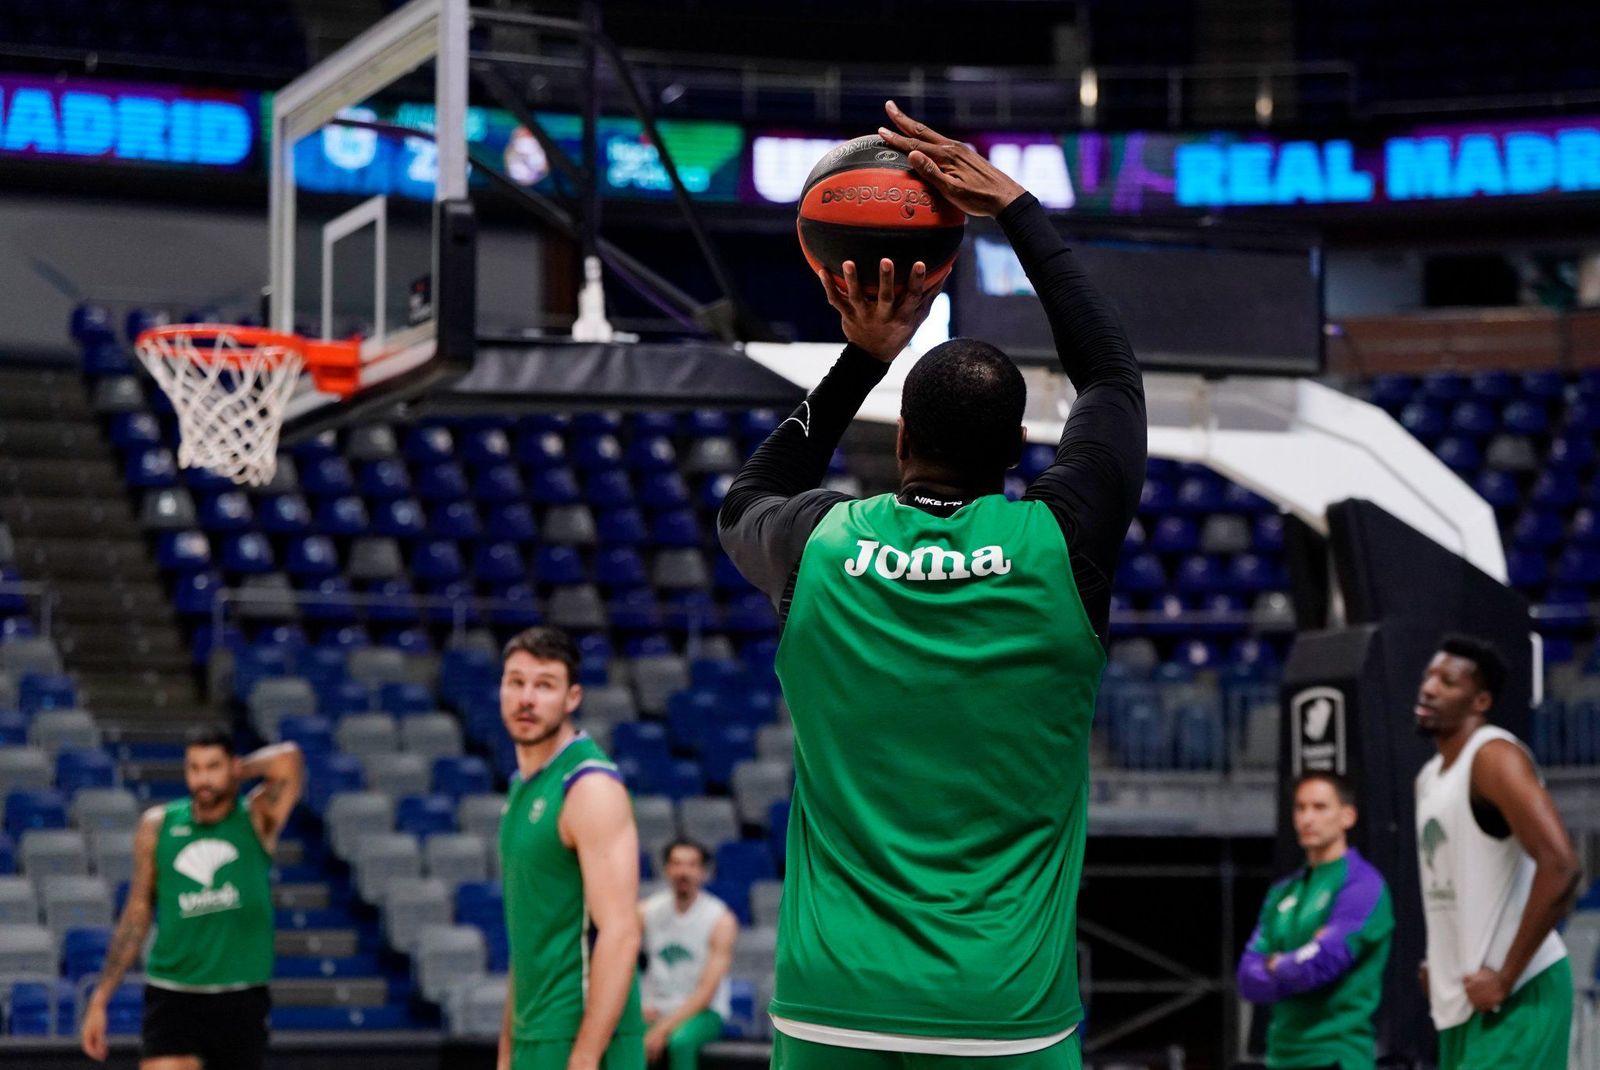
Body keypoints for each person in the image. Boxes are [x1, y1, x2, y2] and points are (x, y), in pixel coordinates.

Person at [718, 100, 1145, 1069]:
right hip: (1006, 1017)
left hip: (831, 1007)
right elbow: (1112, 378)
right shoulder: (1059, 545)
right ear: (1021, 453)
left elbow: (748, 494)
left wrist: (860, 357)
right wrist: (1020, 212)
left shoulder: (822, 545)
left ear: (900, 439)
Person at [80, 727, 303, 1069]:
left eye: (213, 767)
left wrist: (239, 770)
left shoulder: (257, 818)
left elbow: (289, 760)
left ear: (232, 767)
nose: (202, 779)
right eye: (194, 769)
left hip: (240, 996)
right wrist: (101, 998)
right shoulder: (158, 825)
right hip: (173, 994)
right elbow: (137, 912)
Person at [1413, 634, 1579, 1070]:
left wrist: (1505, 976)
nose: (1429, 687)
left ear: (1480, 700)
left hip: (1517, 995)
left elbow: (1561, 864)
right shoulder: (1429, 777)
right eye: (1429, 675)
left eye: (1448, 681)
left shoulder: (1493, 757)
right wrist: (1443, 963)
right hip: (1465, 1003)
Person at [497, 625, 645, 1070]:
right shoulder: (521, 787)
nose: (526, 698)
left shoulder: (590, 785)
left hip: (583, 1039)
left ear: (572, 698)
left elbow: (621, 932)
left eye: (544, 686)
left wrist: (583, 1058)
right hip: (535, 1033)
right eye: (516, 682)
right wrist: (507, 1047)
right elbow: (528, 933)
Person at [1237, 772, 1394, 1070]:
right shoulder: (1284, 891)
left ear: (1347, 816)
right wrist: (1296, 961)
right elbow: (1247, 979)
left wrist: (1274, 963)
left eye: (1320, 807)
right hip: (1280, 1056)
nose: (1307, 818)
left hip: (1336, 1056)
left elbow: (1321, 964)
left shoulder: (1362, 884)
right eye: (1300, 807)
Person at [639, 839, 739, 1070]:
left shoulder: (721, 920)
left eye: (692, 865)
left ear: (703, 872)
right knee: (624, 1038)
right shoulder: (646, 911)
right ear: (666, 869)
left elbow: (706, 993)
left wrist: (663, 1027)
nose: (683, 871)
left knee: (680, 1043)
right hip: (655, 1008)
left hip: (704, 1012)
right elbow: (620, 962)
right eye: (677, 863)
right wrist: (639, 1004)